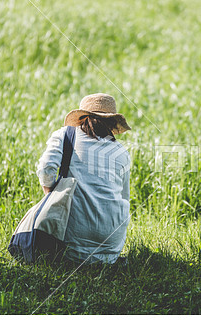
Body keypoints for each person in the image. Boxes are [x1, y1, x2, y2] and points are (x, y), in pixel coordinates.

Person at [36, 93, 132, 264]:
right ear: (112, 123)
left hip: (69, 251)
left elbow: (45, 169)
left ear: (82, 118)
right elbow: (124, 198)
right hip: (111, 252)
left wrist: (52, 198)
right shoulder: (121, 152)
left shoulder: (65, 135)